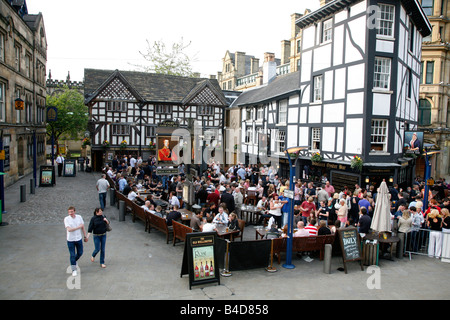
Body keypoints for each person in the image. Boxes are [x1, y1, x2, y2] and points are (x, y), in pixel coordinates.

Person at [64, 206, 87, 277]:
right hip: (70, 239)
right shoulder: (66, 219)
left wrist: (85, 236)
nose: (70, 213)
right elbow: (69, 229)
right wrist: (78, 227)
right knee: (72, 254)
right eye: (69, 212)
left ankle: (74, 261)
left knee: (80, 252)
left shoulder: (79, 217)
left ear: (74, 211)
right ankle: (74, 269)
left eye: (72, 212)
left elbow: (83, 227)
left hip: (78, 238)